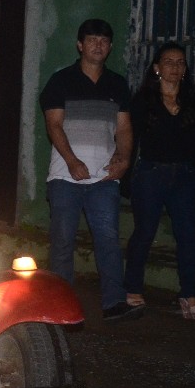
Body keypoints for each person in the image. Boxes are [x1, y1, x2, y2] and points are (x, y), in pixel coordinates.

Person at [40, 18, 140, 322]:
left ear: (109, 47)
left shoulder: (117, 84)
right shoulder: (61, 81)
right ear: (80, 45)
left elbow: (124, 129)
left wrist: (124, 160)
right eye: (92, 40)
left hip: (104, 179)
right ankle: (60, 305)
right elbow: (53, 125)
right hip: (64, 178)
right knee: (62, 240)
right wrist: (72, 160)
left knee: (108, 239)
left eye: (104, 41)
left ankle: (114, 303)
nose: (98, 45)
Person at [124, 42, 195, 319]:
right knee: (144, 232)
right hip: (151, 174)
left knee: (188, 236)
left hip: (184, 176)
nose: (175, 67)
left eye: (180, 63)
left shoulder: (193, 100)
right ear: (157, 67)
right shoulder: (142, 101)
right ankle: (132, 288)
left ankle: (189, 296)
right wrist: (126, 178)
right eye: (169, 62)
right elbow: (130, 140)